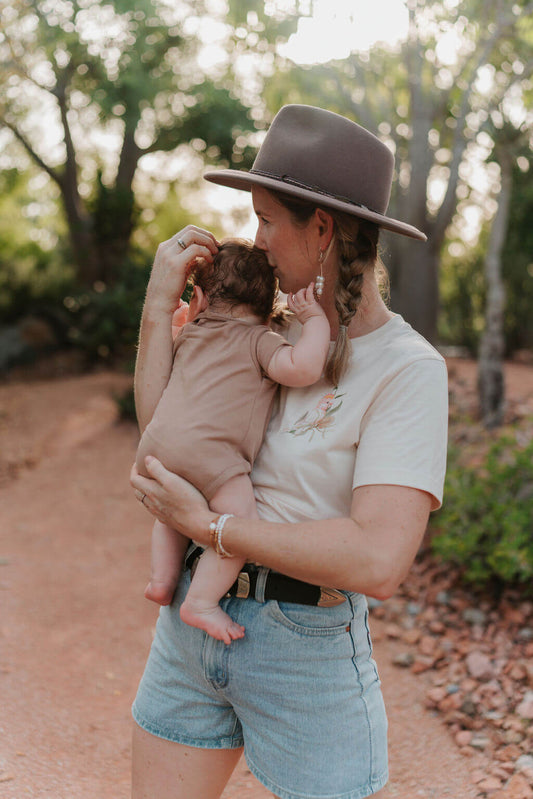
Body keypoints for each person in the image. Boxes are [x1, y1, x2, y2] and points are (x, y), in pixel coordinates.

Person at [130, 104, 448, 799]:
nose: (256, 238)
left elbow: (378, 560)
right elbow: (164, 439)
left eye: (267, 218)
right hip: (189, 631)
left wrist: (208, 526)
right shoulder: (255, 332)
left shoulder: (405, 369)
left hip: (304, 650)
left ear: (324, 229)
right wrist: (159, 311)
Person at [135, 238, 330, 644]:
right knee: (238, 528)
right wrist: (314, 322)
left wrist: (176, 319)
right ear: (266, 310)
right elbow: (304, 368)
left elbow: (168, 357)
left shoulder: (192, 333)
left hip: (156, 447)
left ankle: (161, 579)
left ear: (200, 299)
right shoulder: (260, 340)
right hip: (214, 458)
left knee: (171, 512)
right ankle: (201, 602)